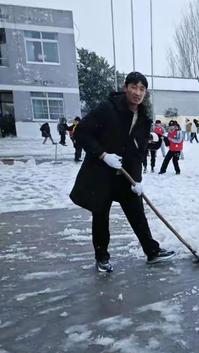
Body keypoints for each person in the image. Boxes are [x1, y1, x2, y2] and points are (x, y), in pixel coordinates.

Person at [69, 71, 175, 273]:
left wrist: (137, 181)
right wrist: (103, 155)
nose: (137, 92)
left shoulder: (143, 118)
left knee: (137, 213)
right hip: (102, 174)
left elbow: (138, 152)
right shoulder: (107, 109)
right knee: (101, 216)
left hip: (125, 175)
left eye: (142, 89)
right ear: (125, 88)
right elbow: (81, 132)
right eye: (134, 87)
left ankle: (152, 252)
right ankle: (102, 257)